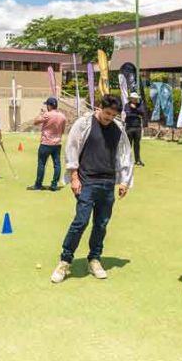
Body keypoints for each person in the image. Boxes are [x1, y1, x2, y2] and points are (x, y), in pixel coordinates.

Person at [50, 95, 133, 284]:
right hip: (86, 182)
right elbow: (72, 148)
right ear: (99, 108)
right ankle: (65, 261)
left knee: (101, 224)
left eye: (113, 115)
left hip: (108, 183)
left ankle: (94, 259)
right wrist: (73, 177)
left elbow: (124, 155)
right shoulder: (83, 124)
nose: (109, 118)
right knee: (80, 221)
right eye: (107, 113)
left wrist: (124, 181)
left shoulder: (118, 129)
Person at [30, 97, 67, 191]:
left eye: (47, 105)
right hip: (57, 143)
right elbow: (62, 131)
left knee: (41, 164)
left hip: (46, 143)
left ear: (50, 106)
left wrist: (41, 114)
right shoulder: (62, 116)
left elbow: (35, 122)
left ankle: (38, 185)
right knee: (57, 164)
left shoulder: (47, 114)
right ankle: (54, 185)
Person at [124, 91, 148, 166]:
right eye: (133, 98)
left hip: (137, 127)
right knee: (128, 145)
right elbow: (128, 114)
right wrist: (137, 114)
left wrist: (135, 110)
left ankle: (137, 160)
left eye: (135, 98)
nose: (134, 100)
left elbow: (143, 112)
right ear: (130, 99)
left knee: (137, 144)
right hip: (129, 127)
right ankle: (127, 160)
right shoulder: (127, 105)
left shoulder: (139, 105)